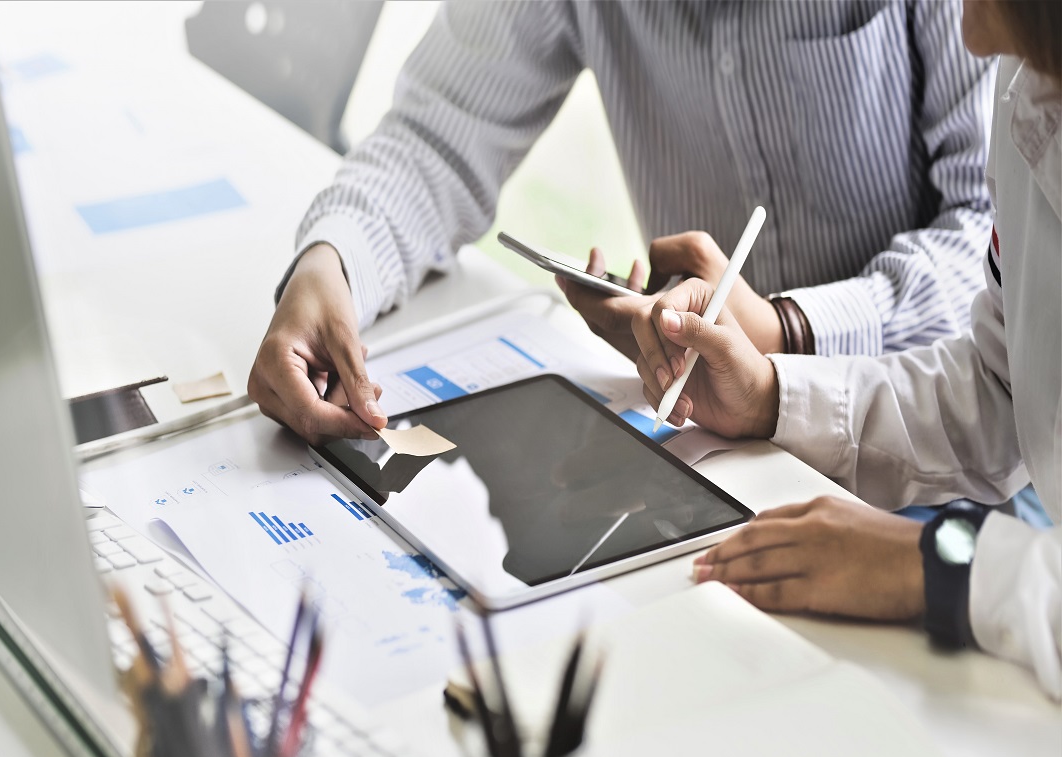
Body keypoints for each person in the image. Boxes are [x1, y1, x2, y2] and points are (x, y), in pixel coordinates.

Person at [575, 0, 1060, 699]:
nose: (970, 36)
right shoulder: (1031, 85)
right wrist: (773, 394)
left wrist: (933, 564)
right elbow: (1000, 389)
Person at [248, 1, 995, 444]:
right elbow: (439, 134)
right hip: (712, 439)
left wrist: (790, 333)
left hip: (942, 440)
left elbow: (999, 236)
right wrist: (331, 264)